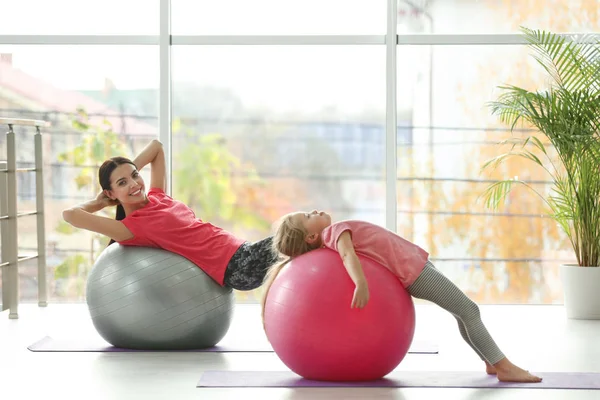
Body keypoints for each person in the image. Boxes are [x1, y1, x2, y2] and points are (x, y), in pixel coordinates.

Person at [261, 210, 542, 383]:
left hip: (416, 265)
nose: (314, 210)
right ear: (312, 237)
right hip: (414, 273)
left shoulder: (331, 234)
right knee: (469, 310)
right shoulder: (335, 233)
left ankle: (490, 362)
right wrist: (361, 283)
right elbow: (348, 256)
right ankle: (504, 366)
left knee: (461, 313)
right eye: (308, 217)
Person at [62, 139, 278, 290]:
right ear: (111, 192)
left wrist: (125, 170)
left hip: (243, 250)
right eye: (122, 183)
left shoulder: (158, 196)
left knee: (302, 236)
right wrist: (100, 201)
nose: (134, 184)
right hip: (235, 266)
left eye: (135, 176)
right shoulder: (131, 228)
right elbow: (70, 214)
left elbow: (156, 147)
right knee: (298, 230)